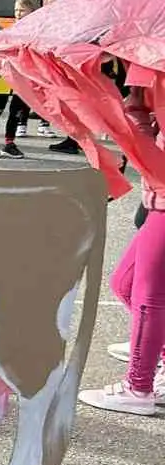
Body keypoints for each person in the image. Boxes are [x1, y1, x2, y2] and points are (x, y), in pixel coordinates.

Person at [80, 85, 164, 417]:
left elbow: (145, 144)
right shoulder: (152, 61)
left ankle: (138, 386)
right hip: (156, 192)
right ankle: (153, 352)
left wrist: (134, 114)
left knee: (149, 295)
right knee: (125, 283)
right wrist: (138, 104)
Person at [0, 0, 39, 159]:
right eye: (16, 10)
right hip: (5, 74)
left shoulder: (36, 31)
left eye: (22, 10)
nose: (18, 13)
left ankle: (9, 143)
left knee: (16, 110)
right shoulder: (8, 28)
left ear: (33, 11)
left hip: (23, 76)